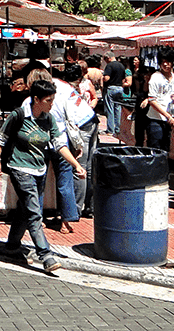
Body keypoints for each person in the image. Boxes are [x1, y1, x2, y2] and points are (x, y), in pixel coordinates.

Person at [0, 76, 87, 274]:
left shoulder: (49, 118)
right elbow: (0, 139)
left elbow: (59, 144)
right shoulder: (19, 115)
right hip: (20, 169)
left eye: (53, 100)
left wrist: (75, 165)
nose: (52, 104)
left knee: (25, 208)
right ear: (36, 99)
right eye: (48, 100)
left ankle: (11, 245)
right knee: (35, 212)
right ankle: (45, 254)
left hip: (40, 170)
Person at [48, 64, 98, 233]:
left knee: (78, 168)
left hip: (81, 125)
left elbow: (61, 118)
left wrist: (74, 144)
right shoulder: (61, 84)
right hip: (90, 118)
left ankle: (74, 211)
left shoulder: (52, 89)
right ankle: (88, 206)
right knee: (88, 166)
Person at [144, 48, 174, 154]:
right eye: (163, 62)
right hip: (155, 119)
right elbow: (152, 100)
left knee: (165, 150)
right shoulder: (155, 78)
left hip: (168, 120)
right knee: (155, 150)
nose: (165, 65)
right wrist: (167, 116)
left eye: (168, 61)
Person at [101, 51, 127, 135]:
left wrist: (102, 77)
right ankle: (118, 129)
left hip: (111, 88)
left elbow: (107, 78)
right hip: (120, 88)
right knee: (118, 108)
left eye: (105, 59)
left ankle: (110, 129)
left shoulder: (110, 65)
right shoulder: (121, 66)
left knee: (110, 109)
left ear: (108, 58)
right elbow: (123, 79)